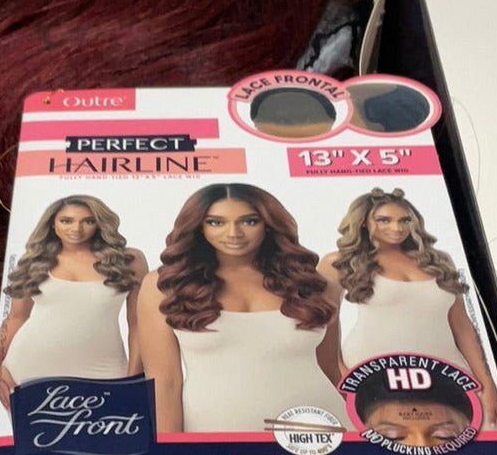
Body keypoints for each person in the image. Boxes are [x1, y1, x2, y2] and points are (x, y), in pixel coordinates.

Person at [138, 183, 349, 433]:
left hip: (320, 431)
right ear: (198, 226)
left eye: (249, 221)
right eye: (216, 222)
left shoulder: (313, 284)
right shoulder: (166, 285)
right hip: (213, 434)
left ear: (268, 224)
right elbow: (165, 383)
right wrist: (167, 450)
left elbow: (330, 370)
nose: (234, 233)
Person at [320, 187, 497, 430]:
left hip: (447, 374)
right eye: (384, 220)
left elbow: (462, 327)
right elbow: (321, 327)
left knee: (479, 440)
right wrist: (340, 376)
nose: (397, 228)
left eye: (404, 220)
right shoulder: (338, 262)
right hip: (370, 376)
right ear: (364, 222)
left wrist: (488, 385)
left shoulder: (438, 261)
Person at [0, 196, 146, 405]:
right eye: (66, 221)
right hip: (28, 371)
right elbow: (16, 318)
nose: (77, 229)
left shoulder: (129, 260)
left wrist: (133, 380)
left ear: (99, 224)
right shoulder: (34, 261)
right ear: (52, 224)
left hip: (106, 371)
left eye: (88, 221)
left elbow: (138, 324)